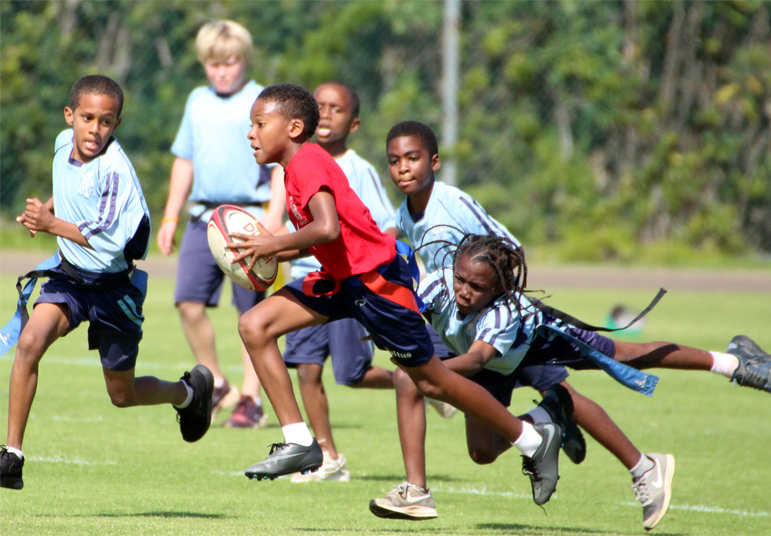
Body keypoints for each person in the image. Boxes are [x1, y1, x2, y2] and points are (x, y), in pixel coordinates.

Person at [372, 120, 771, 530]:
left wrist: (496, 311)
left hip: (516, 327)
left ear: (436, 161)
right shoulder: (407, 213)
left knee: (624, 356)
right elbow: (402, 255)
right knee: (481, 449)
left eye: (412, 158)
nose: (403, 167)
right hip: (470, 330)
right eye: (394, 161)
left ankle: (729, 366)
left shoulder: (452, 203)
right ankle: (551, 423)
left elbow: (507, 250)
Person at [228, 84, 566, 509]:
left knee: (434, 381)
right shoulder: (293, 169)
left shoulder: (309, 161)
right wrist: (266, 252)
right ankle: (300, 441)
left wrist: (271, 246)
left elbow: (327, 227)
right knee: (255, 325)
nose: (251, 133)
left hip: (376, 286)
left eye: (260, 124)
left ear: (294, 128)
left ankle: (534, 439)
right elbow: (323, 240)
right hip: (341, 280)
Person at [1, 75, 213, 491]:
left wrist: (49, 224)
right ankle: (11, 455)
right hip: (70, 279)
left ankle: (189, 393)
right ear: (70, 116)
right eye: (87, 118)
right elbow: (69, 189)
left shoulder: (116, 170)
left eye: (106, 121)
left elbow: (103, 237)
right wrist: (47, 207)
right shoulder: (64, 143)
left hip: (114, 289)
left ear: (117, 124)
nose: (94, 129)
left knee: (122, 394)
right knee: (29, 343)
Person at [156, 20, 285, 429]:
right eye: (213, 64)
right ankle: (219, 382)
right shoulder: (197, 101)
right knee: (188, 302)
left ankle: (251, 398)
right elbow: (185, 160)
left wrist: (273, 221)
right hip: (202, 218)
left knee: (252, 315)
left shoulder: (261, 100)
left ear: (243, 60)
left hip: (249, 218)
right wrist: (171, 215)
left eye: (229, 62)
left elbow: (282, 163)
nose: (222, 71)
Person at [282, 81, 403, 483]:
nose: (328, 114)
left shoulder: (358, 168)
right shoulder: (293, 163)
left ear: (353, 124)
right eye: (322, 106)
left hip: (349, 279)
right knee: (306, 369)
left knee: (351, 373)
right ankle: (327, 455)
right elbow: (290, 224)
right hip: (306, 278)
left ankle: (413, 381)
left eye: (338, 108)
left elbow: (384, 223)